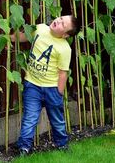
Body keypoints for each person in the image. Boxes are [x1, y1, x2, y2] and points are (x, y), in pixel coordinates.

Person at [11, 15, 80, 156]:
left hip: (51, 89)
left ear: (66, 35)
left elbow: (62, 73)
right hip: (32, 85)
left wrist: (58, 93)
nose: (58, 21)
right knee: (30, 117)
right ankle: (24, 147)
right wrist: (12, 37)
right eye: (60, 18)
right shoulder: (40, 28)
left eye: (63, 24)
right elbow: (24, 37)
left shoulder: (64, 49)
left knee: (57, 119)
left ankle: (61, 144)